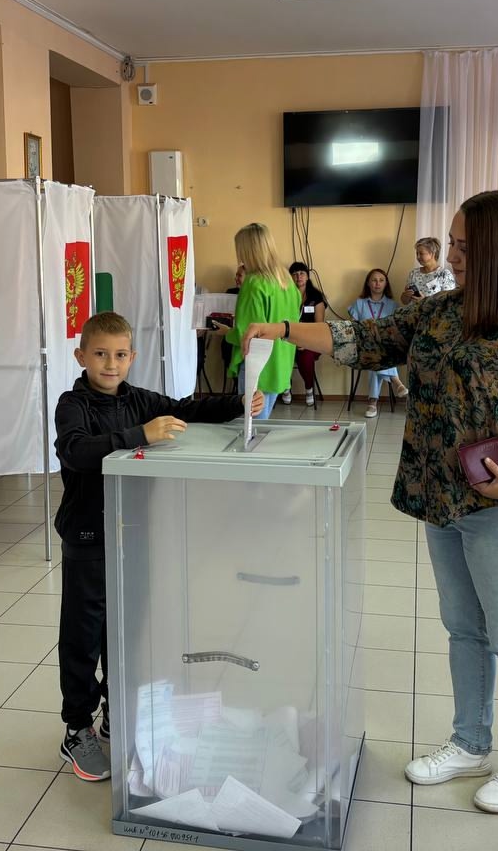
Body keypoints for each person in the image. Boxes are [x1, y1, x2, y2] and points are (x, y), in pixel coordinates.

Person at [242, 190, 498, 814]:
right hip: (443, 498)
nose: (451, 256)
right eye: (452, 243)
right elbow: (364, 338)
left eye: (464, 246)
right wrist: (284, 329)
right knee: (464, 628)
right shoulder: (441, 311)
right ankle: (470, 742)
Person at [53, 311, 263, 781]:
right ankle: (77, 727)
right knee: (83, 637)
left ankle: (117, 711)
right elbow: (77, 451)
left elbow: (187, 408)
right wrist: (139, 436)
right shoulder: (73, 405)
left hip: (132, 536)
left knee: (126, 631)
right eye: (100, 354)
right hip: (88, 541)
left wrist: (238, 402)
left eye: (119, 355)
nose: (111, 364)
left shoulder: (138, 399)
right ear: (81, 356)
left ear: (132, 357)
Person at [226, 224, 300, 419]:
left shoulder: (253, 282)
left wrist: (226, 333)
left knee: (250, 428)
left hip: (258, 365)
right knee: (262, 424)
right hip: (280, 363)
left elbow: (248, 332)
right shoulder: (286, 281)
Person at [347, 268, 410, 417]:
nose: (377, 283)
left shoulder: (393, 305)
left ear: (386, 283)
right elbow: (354, 327)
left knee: (377, 356)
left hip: (386, 346)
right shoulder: (359, 303)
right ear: (368, 283)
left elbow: (396, 330)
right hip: (364, 345)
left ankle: (372, 402)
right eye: (374, 280)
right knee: (374, 352)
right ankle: (396, 381)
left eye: (381, 280)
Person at [281, 261, 326, 406]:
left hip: (311, 341)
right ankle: (285, 387)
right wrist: (293, 341)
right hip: (288, 339)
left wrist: (304, 341)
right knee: (280, 353)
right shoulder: (284, 295)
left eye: (302, 273)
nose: (298, 277)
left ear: (307, 276)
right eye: (294, 274)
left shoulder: (316, 297)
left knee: (305, 356)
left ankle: (309, 389)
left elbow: (319, 327)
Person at [399, 236, 456, 305]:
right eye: (417, 253)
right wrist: (406, 296)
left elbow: (449, 303)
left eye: (421, 253)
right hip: (411, 311)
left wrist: (425, 302)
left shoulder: (444, 274)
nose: (418, 257)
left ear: (432, 254)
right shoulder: (414, 273)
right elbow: (404, 302)